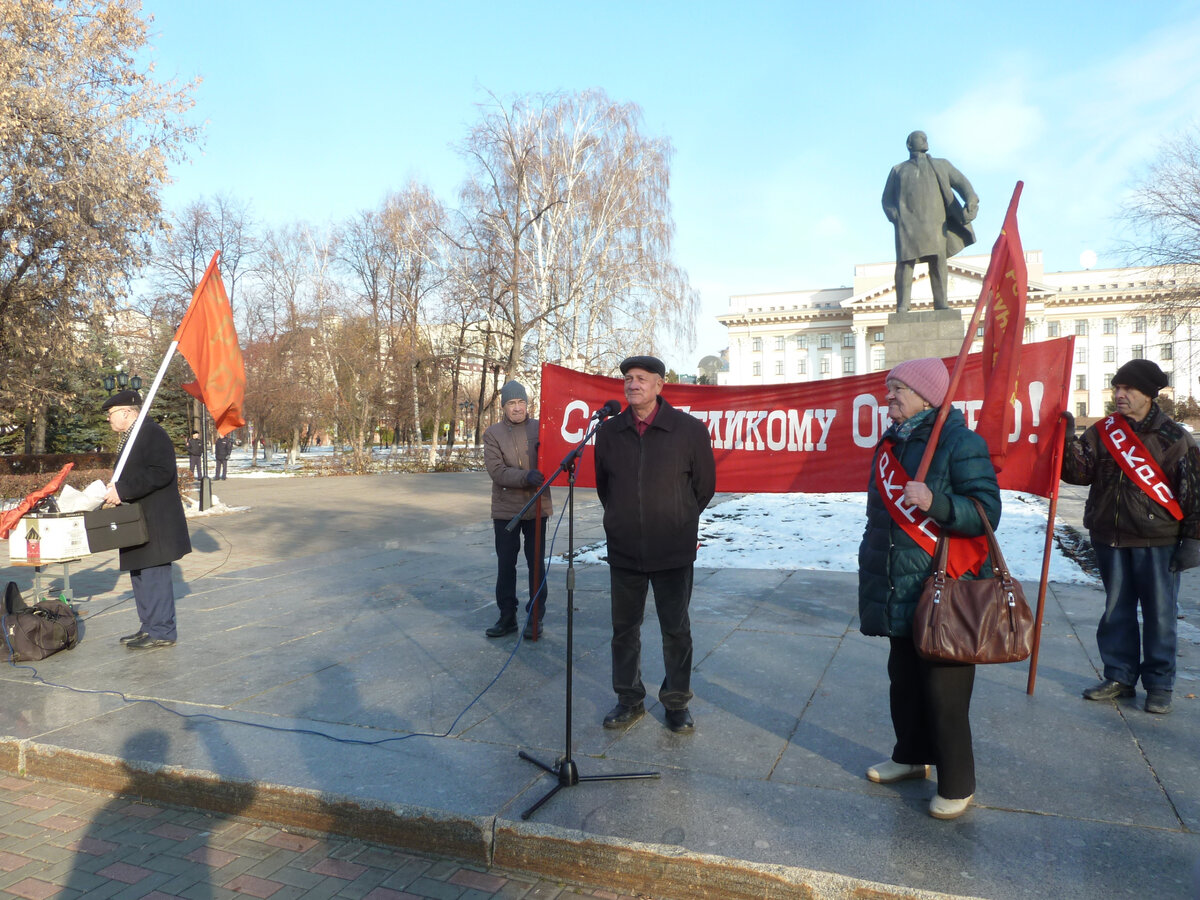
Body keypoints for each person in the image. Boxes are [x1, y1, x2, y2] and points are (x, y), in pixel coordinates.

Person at [858, 357, 1001, 819]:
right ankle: (911, 758)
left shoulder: (961, 442)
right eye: (888, 387)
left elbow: (986, 512)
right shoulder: (890, 445)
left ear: (927, 396)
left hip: (946, 586)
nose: (889, 396)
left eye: (897, 388)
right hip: (899, 582)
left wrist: (935, 502)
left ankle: (958, 782)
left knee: (945, 692)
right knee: (903, 682)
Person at [1061, 359, 1200, 715]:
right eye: (1117, 388)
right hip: (1109, 537)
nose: (1119, 395)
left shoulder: (1174, 438)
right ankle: (1119, 676)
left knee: (1160, 615)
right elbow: (1078, 474)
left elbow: (1194, 493)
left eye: (1128, 389)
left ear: (1149, 395)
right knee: (1116, 612)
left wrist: (1194, 540)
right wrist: (1066, 441)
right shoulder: (1104, 431)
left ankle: (1158, 685)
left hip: (1158, 541)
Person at [593, 355, 716, 734]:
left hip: (672, 551)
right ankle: (629, 699)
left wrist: (676, 520)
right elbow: (605, 487)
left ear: (660, 384)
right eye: (628, 378)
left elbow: (704, 487)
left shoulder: (689, 430)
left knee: (675, 630)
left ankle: (676, 702)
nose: (632, 385)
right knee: (624, 630)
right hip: (625, 549)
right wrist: (622, 518)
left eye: (641, 378)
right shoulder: (609, 433)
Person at [101, 390, 192, 650]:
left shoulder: (151, 433)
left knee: (154, 576)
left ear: (127, 412)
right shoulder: (133, 436)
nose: (109, 419)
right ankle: (148, 627)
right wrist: (117, 487)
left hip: (156, 521)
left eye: (111, 414)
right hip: (138, 520)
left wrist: (123, 490)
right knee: (140, 575)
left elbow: (161, 472)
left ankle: (163, 630)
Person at [482, 381, 552, 640]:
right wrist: (526, 477)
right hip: (506, 510)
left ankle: (536, 617)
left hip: (537, 507)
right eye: (511, 403)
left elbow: (555, 456)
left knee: (536, 565)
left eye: (521, 402)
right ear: (503, 407)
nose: (517, 407)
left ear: (527, 404)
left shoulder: (540, 428)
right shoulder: (493, 433)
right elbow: (497, 471)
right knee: (506, 564)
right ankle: (507, 616)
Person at [882, 131, 979, 312]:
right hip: (907, 225)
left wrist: (971, 200)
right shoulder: (898, 170)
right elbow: (886, 200)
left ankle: (941, 304)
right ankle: (903, 305)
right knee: (905, 263)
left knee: (938, 260)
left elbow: (963, 185)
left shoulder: (940, 165)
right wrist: (896, 217)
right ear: (909, 145)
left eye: (925, 137)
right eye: (920, 137)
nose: (925, 139)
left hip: (936, 223)